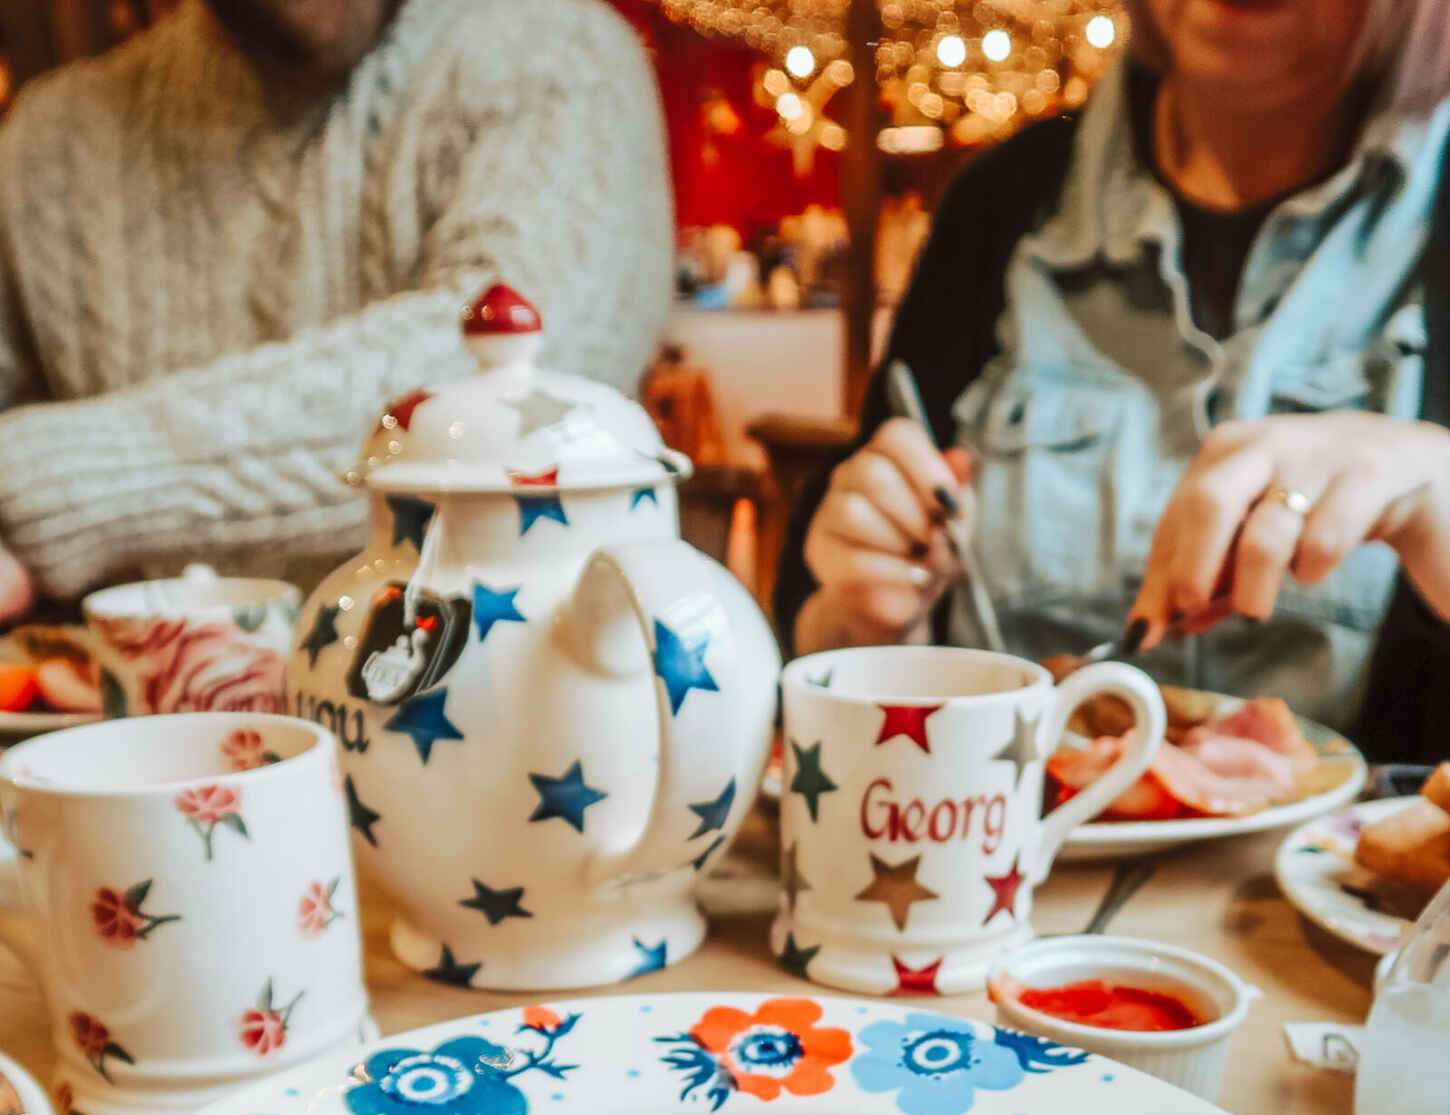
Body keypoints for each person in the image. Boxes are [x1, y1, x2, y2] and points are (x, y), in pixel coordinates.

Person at [780, 0, 1450, 761]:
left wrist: (1433, 489)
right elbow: (835, 629)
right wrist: (864, 618)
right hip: (1007, 865)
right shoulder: (998, 204)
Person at [0, 0, 672, 615]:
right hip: (146, 732)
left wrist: (49, 483)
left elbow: (521, 381)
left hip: (508, 719)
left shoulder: (560, 59)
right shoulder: (50, 143)